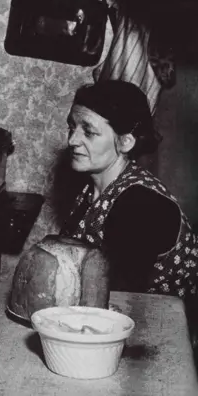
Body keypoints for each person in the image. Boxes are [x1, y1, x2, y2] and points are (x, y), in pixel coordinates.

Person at [60, 79, 198, 301]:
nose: (72, 140)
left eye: (88, 131)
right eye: (72, 127)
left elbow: (121, 296)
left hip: (161, 322)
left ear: (125, 142)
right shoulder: (91, 190)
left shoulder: (141, 204)